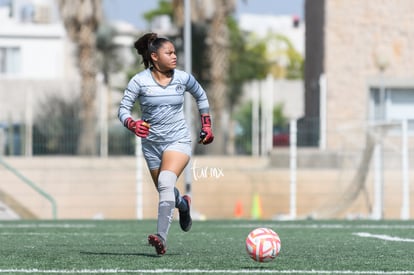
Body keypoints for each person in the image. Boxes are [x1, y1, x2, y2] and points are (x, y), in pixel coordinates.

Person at [118, 33, 214, 255]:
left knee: (165, 182)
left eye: (174, 52)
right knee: (167, 191)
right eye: (168, 53)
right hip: (151, 145)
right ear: (154, 56)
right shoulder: (139, 81)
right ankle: (184, 205)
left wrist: (206, 125)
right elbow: (122, 110)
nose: (174, 56)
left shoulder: (183, 78)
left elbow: (201, 96)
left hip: (177, 140)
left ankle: (161, 237)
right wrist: (132, 123)